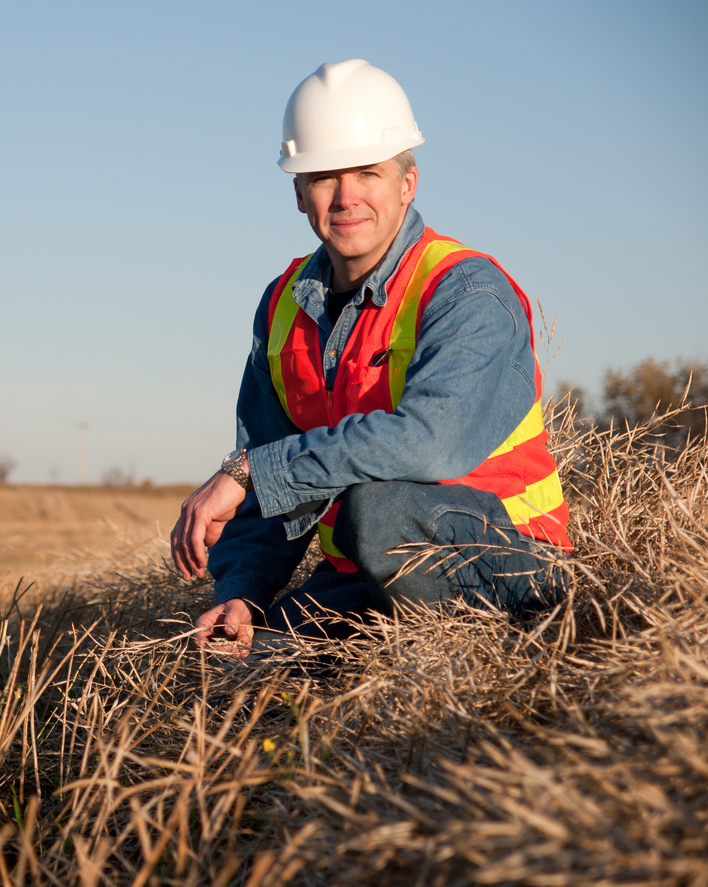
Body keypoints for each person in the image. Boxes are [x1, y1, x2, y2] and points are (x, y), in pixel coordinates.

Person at [170, 60, 570, 655]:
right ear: (300, 193)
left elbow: (427, 443)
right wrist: (246, 591)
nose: (347, 195)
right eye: (326, 176)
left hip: (509, 566)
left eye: (368, 172)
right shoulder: (283, 306)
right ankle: (349, 644)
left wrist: (248, 470)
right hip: (362, 575)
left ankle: (476, 658)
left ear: (407, 184)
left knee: (377, 508)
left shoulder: (467, 292)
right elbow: (274, 475)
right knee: (237, 663)